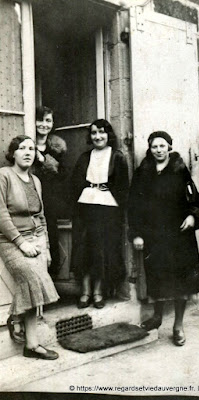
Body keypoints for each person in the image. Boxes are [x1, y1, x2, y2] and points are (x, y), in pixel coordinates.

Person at [128, 131, 199, 346]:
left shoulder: (180, 170)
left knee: (182, 281)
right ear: (150, 149)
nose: (159, 150)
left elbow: (194, 199)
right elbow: (133, 206)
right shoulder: (143, 172)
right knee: (158, 277)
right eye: (154, 147)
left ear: (169, 147)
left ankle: (178, 325)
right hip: (154, 236)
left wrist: (192, 216)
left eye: (163, 146)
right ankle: (157, 317)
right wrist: (137, 234)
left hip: (180, 235)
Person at [0, 135, 59, 359]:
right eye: (22, 148)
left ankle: (31, 344)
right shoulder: (3, 175)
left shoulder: (36, 181)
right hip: (11, 241)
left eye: (32, 149)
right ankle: (16, 318)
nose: (27, 152)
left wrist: (47, 247)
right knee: (35, 280)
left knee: (34, 286)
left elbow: (41, 217)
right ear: (12, 153)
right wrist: (21, 243)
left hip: (37, 239)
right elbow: (1, 215)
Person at [71, 119, 129, 309]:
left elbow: (122, 188)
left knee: (102, 249)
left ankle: (98, 292)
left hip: (108, 208)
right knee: (84, 248)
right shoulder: (85, 157)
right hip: (86, 207)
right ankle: (85, 291)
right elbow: (75, 184)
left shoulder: (117, 157)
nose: (98, 136)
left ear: (108, 135)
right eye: (94, 133)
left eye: (102, 132)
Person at [33, 106, 67, 277]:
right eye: (40, 120)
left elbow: (62, 175)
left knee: (51, 239)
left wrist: (43, 159)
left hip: (50, 199)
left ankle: (50, 283)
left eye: (48, 120)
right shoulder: (26, 145)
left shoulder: (57, 148)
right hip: (30, 197)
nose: (44, 124)